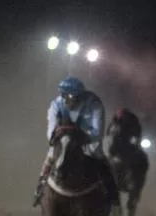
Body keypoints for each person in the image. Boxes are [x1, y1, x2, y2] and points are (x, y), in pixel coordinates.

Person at [33, 76, 119, 206]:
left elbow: (97, 132)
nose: (72, 101)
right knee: (50, 157)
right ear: (64, 95)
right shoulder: (55, 105)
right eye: (69, 97)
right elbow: (51, 131)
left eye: (76, 97)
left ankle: (112, 193)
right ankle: (40, 188)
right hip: (64, 139)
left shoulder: (94, 104)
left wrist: (79, 134)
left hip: (87, 141)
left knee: (101, 159)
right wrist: (58, 134)